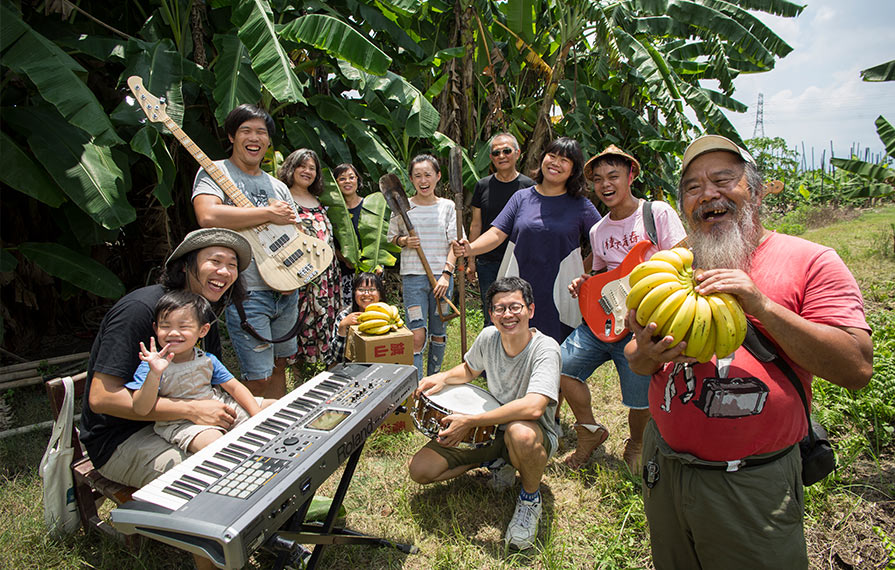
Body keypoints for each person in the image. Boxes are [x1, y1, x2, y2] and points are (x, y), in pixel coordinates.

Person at [624, 135, 873, 568]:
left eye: (723, 179)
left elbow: (856, 367)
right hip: (665, 469)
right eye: (693, 187)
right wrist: (647, 354)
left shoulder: (810, 261)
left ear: (754, 192)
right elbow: (635, 358)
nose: (708, 194)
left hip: (752, 483)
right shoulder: (673, 264)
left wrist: (761, 305)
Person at [80, 227, 252, 489]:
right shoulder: (139, 310)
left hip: (189, 418)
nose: (225, 272)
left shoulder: (202, 312)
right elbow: (102, 398)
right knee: (219, 474)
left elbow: (214, 380)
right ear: (185, 265)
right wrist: (192, 410)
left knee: (278, 421)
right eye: (215, 261)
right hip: (123, 437)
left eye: (232, 265)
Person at [408, 277, 560, 550]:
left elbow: (535, 406)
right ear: (491, 314)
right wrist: (442, 377)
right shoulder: (489, 337)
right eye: (499, 309)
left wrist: (470, 421)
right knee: (420, 470)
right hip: (487, 432)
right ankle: (496, 463)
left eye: (515, 307)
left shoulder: (546, 349)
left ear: (531, 310)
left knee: (519, 433)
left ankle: (529, 498)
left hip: (532, 431)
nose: (508, 315)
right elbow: (469, 369)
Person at [560, 145, 687, 471]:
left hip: (645, 325)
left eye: (613, 176)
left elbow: (685, 260)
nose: (606, 184)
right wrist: (585, 283)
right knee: (558, 366)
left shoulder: (656, 214)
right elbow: (604, 275)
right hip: (602, 320)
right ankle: (589, 431)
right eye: (599, 179)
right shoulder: (598, 229)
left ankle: (637, 441)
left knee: (639, 398)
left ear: (631, 176)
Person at [192, 104, 298, 398]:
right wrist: (267, 213)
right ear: (231, 136)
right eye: (246, 131)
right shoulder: (215, 171)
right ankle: (247, 428)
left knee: (279, 365)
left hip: (286, 291)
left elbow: (294, 233)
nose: (254, 138)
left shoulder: (277, 185)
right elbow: (208, 216)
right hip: (248, 290)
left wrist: (294, 277)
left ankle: (277, 428)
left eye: (261, 132)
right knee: (258, 377)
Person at [453, 137, 601, 345]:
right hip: (519, 283)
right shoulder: (521, 198)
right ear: (542, 159)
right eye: (552, 155)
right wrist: (470, 249)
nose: (556, 163)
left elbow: (604, 243)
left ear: (573, 169)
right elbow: (497, 234)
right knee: (514, 342)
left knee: (556, 351)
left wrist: (581, 271)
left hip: (560, 289)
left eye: (565, 160)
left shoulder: (581, 205)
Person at [128, 291, 273, 453]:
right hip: (180, 423)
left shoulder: (207, 359)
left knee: (275, 407)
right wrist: (154, 374)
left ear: (203, 330)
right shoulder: (151, 366)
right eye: (165, 326)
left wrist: (257, 416)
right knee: (216, 443)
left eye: (183, 327)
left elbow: (235, 387)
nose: (173, 332)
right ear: (156, 328)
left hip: (220, 405)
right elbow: (141, 408)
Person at [387, 154, 461, 378]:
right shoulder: (402, 207)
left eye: (428, 174)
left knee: (438, 332)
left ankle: (435, 380)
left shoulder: (448, 207)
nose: (423, 180)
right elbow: (392, 237)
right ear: (410, 179)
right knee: (417, 334)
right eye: (417, 176)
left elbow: (455, 244)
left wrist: (446, 275)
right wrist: (404, 241)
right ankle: (418, 386)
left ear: (438, 176)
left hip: (441, 278)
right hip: (413, 278)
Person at [278, 148, 342, 365]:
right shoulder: (283, 197)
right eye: (302, 166)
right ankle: (299, 369)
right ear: (291, 168)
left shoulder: (317, 199)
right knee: (302, 319)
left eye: (312, 168)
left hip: (327, 274)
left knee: (326, 318)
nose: (307, 171)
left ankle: (326, 365)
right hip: (302, 272)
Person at [467, 133, 535, 326]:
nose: (501, 156)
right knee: (492, 312)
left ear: (517, 153)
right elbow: (476, 224)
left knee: (520, 310)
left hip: (519, 259)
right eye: (496, 153)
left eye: (507, 151)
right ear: (491, 158)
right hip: (488, 260)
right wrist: (471, 260)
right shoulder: (483, 185)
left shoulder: (529, 187)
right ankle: (492, 353)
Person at [328, 272, 387, 364]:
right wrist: (342, 326)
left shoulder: (387, 315)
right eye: (361, 289)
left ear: (380, 294)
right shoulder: (345, 316)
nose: (366, 294)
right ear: (354, 293)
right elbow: (337, 358)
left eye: (372, 289)